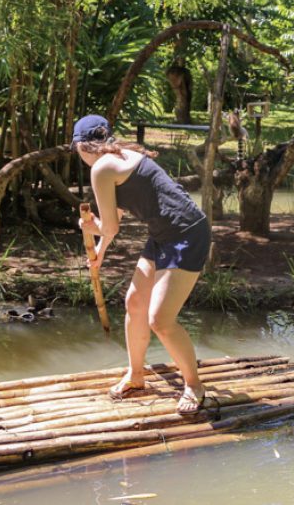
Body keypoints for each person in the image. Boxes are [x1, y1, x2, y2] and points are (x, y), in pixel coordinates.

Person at [73, 115, 211, 414]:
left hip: (186, 235)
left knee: (160, 320)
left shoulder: (102, 168)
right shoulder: (118, 157)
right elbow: (115, 218)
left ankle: (194, 385)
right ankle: (136, 375)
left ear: (82, 146)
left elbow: (108, 226)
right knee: (135, 302)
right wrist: (99, 252)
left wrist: (88, 227)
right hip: (163, 234)